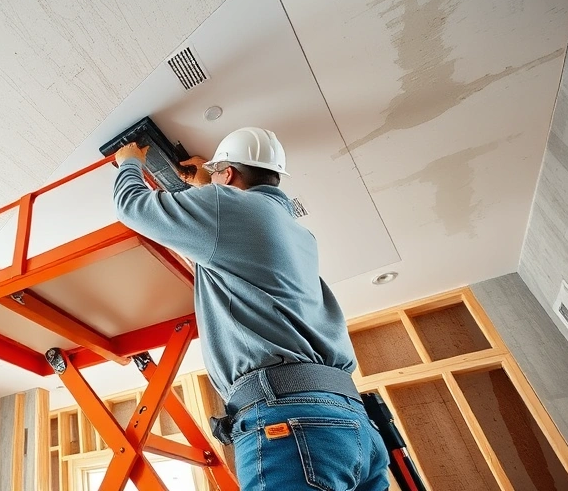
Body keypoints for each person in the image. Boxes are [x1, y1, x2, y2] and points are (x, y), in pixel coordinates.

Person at [113, 127, 389, 490]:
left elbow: (132, 206)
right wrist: (211, 187)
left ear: (227, 175)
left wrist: (128, 163)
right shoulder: (297, 233)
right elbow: (235, 225)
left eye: (217, 176)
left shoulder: (226, 206)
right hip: (352, 423)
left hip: (293, 419)